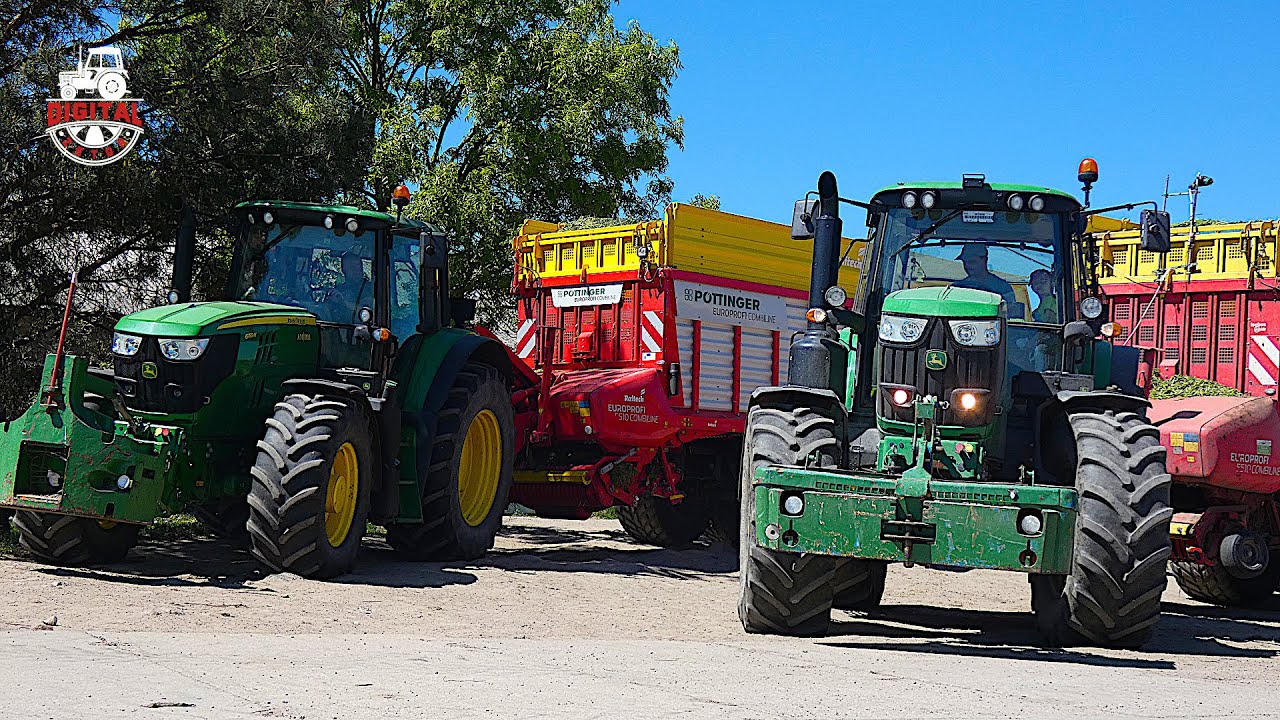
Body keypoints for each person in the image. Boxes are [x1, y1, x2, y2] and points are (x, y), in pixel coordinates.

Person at [952, 244, 1018, 310]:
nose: (967, 266)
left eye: (972, 262)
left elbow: (1010, 312)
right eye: (964, 262)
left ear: (985, 260)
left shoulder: (1002, 287)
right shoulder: (956, 287)